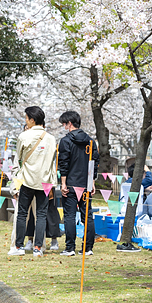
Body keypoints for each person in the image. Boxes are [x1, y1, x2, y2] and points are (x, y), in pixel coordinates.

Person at [8, 107, 56, 257]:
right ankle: (38, 248)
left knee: (22, 213)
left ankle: (18, 246)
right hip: (45, 182)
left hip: (27, 180)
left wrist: (15, 184)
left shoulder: (24, 136)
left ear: (32, 120)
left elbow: (19, 161)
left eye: (26, 118)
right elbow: (53, 163)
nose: (25, 121)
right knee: (41, 215)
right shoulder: (51, 138)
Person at [57, 110, 98, 257]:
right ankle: (88, 248)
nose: (63, 126)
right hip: (86, 183)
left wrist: (63, 183)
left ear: (69, 123)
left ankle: (70, 248)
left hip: (71, 184)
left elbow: (64, 164)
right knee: (87, 216)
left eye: (64, 124)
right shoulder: (91, 141)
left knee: (69, 216)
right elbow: (95, 162)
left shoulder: (65, 141)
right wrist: (92, 181)